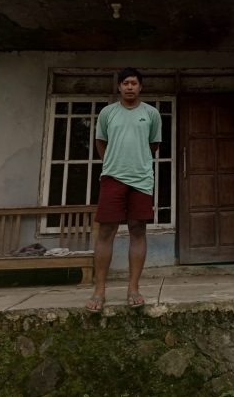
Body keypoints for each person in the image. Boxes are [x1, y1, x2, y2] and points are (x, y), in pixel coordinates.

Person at [86, 67, 161, 312]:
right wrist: (113, 163)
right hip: (112, 178)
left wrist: (135, 161)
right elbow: (101, 142)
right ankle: (99, 290)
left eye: (134, 83)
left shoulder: (151, 113)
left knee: (138, 229)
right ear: (119, 87)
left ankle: (133, 287)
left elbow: (153, 144)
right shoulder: (108, 113)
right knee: (106, 231)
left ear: (141, 87)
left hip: (141, 179)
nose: (130, 87)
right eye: (125, 83)